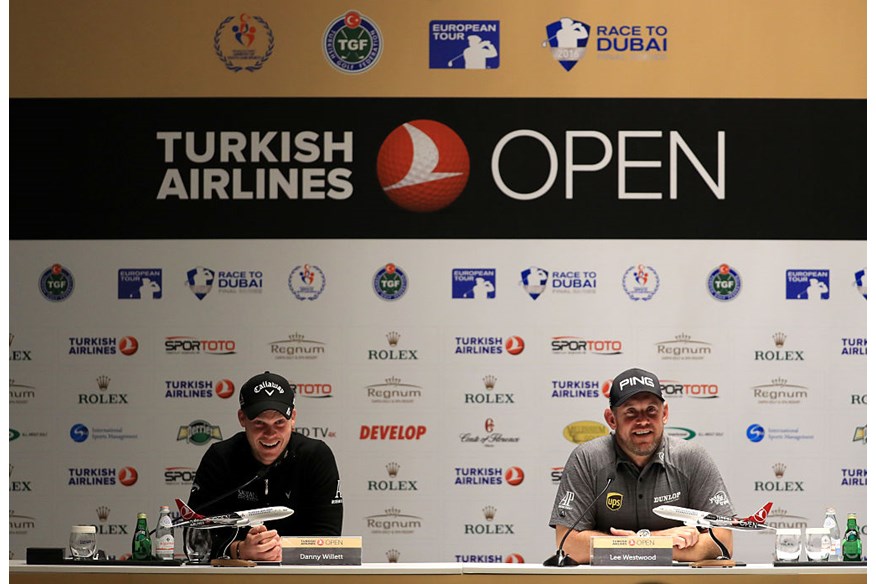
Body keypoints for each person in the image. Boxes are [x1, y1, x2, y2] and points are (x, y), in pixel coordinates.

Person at [549, 367, 734, 563]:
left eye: (651, 410)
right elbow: (568, 544)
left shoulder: (692, 458)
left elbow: (723, 542)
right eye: (631, 412)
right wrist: (653, 540)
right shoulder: (586, 458)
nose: (643, 421)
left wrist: (628, 546)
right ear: (611, 419)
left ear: (665, 413)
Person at [187, 371, 343, 560]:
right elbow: (194, 534)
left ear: (293, 418)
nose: (270, 434)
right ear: (242, 418)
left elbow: (328, 537)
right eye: (260, 424)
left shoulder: (316, 456)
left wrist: (279, 549)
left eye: (279, 422)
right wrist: (238, 550)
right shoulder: (220, 457)